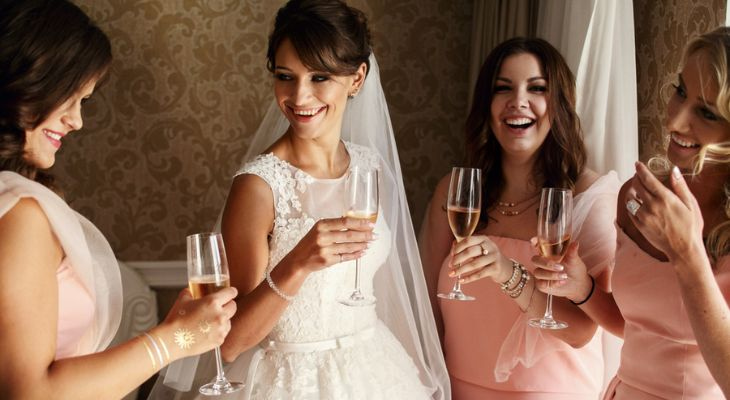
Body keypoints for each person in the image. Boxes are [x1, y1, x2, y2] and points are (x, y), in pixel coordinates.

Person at [149, 0, 450, 399]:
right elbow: (231, 342)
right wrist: (298, 262)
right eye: (286, 76)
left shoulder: (368, 165)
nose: (299, 96)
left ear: (357, 78)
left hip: (373, 368)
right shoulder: (258, 185)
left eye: (320, 77)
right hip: (290, 381)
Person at [0, 1, 238, 399]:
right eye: (69, 97)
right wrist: (173, 339)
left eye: (84, 101)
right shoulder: (20, 214)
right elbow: (30, 394)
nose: (76, 121)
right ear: (27, 80)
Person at [534, 27, 730, 399]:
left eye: (705, 112)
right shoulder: (636, 196)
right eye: (680, 92)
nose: (674, 121)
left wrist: (688, 255)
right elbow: (637, 325)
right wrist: (582, 288)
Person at [419, 37, 620, 399]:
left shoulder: (589, 198)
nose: (518, 102)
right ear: (488, 105)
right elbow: (426, 306)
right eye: (503, 88)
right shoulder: (456, 194)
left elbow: (582, 331)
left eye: (537, 88)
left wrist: (506, 272)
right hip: (457, 389)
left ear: (559, 104)